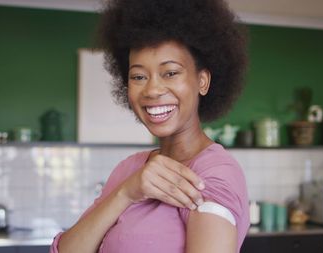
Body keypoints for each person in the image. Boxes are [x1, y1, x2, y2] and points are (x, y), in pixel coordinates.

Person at [50, 0, 249, 252]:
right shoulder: (129, 170)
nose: (152, 90)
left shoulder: (213, 174)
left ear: (202, 81)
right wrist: (128, 192)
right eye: (139, 77)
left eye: (170, 73)